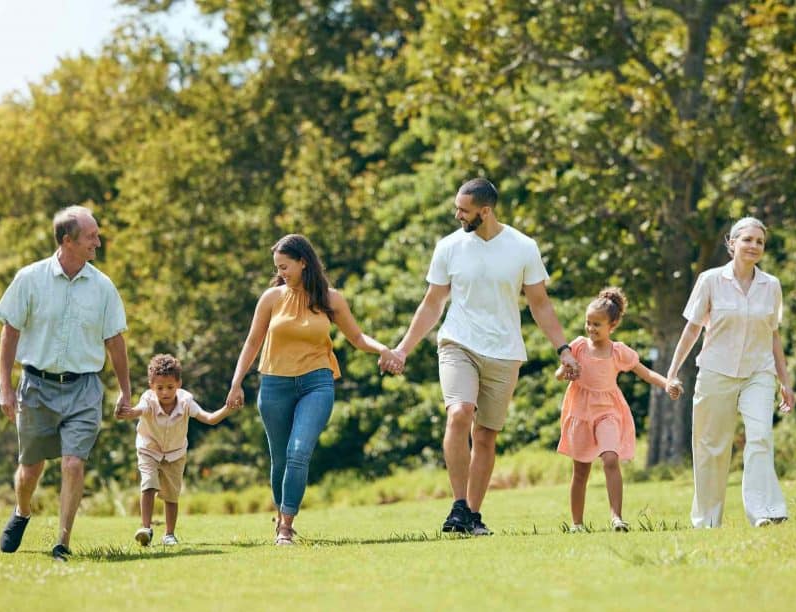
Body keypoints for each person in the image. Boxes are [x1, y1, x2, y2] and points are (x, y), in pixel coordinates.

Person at [379, 178, 581, 536]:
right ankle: (458, 504)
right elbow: (432, 303)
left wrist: (562, 348)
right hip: (458, 342)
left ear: (485, 212)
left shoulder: (523, 247)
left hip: (505, 351)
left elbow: (540, 304)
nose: (457, 215)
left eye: (464, 210)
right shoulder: (449, 247)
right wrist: (402, 349)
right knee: (459, 413)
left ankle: (472, 515)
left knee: (486, 435)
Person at [226, 234, 401, 546]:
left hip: (316, 382)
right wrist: (236, 381)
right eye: (277, 268)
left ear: (303, 262)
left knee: (298, 451)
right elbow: (252, 342)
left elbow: (358, 339)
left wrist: (384, 349)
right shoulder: (271, 299)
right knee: (279, 458)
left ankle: (286, 527)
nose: (281, 273)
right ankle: (281, 516)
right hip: (274, 384)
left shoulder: (331, 300)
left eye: (286, 266)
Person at [0, 205, 131, 561]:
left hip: (84, 388)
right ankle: (22, 511)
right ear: (67, 240)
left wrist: (125, 391)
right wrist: (5, 388)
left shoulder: (103, 287)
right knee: (30, 469)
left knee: (73, 462)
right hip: (36, 386)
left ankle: (63, 542)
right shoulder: (29, 279)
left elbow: (115, 341)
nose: (98, 243)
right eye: (91, 236)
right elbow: (9, 333)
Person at [664, 216, 795, 528]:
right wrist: (672, 372)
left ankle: (764, 512)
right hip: (715, 371)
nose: (753, 246)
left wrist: (785, 382)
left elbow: (773, 336)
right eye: (747, 239)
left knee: (761, 436)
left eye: (759, 242)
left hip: (758, 373)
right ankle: (707, 520)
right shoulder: (710, 280)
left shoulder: (771, 286)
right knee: (711, 446)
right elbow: (692, 329)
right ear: (732, 243)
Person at [555, 288, 676, 533]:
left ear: (613, 324)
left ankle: (616, 518)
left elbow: (645, 372)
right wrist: (565, 371)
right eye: (588, 323)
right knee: (580, 470)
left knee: (610, 458)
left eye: (597, 324)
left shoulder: (618, 351)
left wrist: (667, 383)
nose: (591, 328)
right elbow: (560, 373)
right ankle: (577, 524)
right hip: (581, 411)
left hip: (608, 411)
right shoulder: (577, 346)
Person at [116, 354, 234, 547]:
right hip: (149, 449)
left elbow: (209, 418)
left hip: (175, 454)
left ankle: (169, 534)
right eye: (159, 388)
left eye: (170, 387)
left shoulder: (186, 402)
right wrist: (126, 412)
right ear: (151, 386)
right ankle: (146, 528)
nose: (165, 392)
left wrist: (227, 409)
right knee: (149, 484)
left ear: (178, 383)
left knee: (171, 495)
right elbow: (137, 411)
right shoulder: (148, 400)